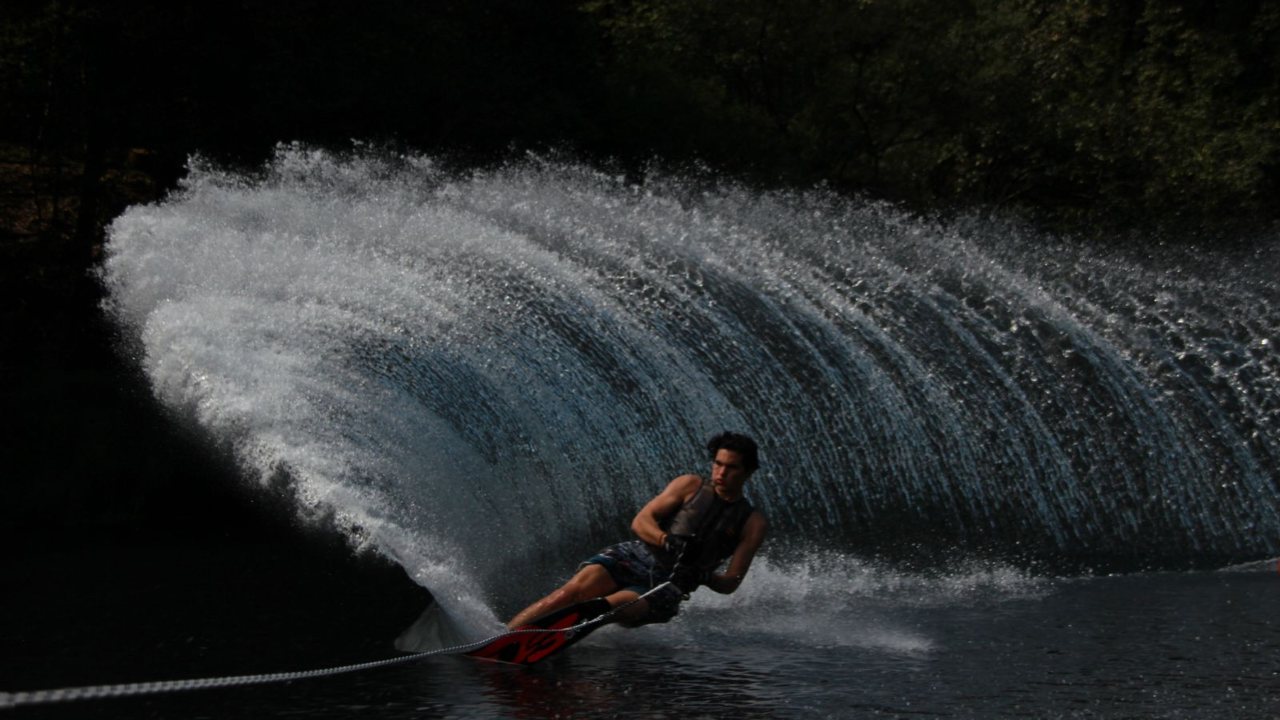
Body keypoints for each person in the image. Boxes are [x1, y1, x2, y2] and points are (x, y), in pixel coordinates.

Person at [506, 432, 769, 629]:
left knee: (610, 607)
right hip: (634, 556)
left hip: (668, 586)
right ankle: (506, 636)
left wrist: (704, 575)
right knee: (566, 595)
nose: (721, 472)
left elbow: (731, 582)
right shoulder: (689, 485)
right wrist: (666, 540)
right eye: (717, 463)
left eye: (731, 467)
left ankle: (556, 636)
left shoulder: (752, 522)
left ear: (749, 472)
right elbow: (641, 521)